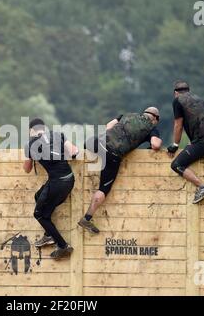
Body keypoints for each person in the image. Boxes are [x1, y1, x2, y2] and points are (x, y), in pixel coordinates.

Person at [79, 107, 163, 234]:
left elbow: (108, 126)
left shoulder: (127, 115)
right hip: (113, 154)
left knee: (85, 146)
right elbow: (155, 145)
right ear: (155, 119)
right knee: (103, 189)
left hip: (98, 142)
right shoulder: (151, 128)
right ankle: (87, 218)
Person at [23, 118, 79, 260]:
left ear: (31, 131)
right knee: (38, 196)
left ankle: (62, 245)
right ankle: (48, 235)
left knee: (39, 215)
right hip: (69, 179)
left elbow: (27, 169)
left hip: (56, 184)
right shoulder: (58, 134)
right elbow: (74, 152)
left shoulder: (30, 144)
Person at [167, 80, 204, 204]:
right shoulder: (198, 99)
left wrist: (175, 145)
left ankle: (202, 187)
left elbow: (178, 125)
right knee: (191, 149)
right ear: (188, 91)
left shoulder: (178, 101)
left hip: (203, 143)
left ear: (175, 93)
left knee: (176, 165)